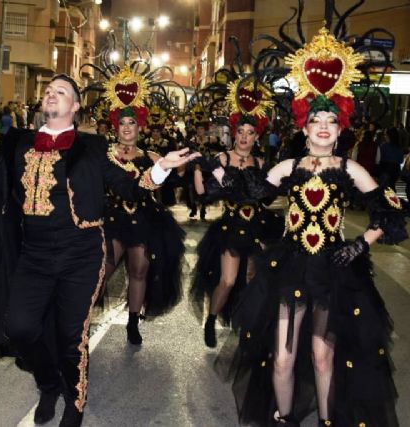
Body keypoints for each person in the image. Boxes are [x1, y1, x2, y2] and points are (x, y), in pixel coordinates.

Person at [0, 74, 196, 427]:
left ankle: (74, 404)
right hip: (33, 255)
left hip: (82, 254)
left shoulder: (93, 147)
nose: (51, 94)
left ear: (75, 106)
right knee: (19, 328)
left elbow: (130, 187)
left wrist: (159, 170)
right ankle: (49, 384)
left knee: (70, 334)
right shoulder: (19, 144)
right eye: (48, 91)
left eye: (61, 91)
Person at [217, 27, 406, 426]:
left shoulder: (350, 168)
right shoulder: (288, 167)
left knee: (324, 355)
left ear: (340, 132)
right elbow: (252, 195)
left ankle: (325, 420)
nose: (323, 126)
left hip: (334, 270)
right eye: (316, 119)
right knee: (283, 357)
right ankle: (283, 418)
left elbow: (390, 211)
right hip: (290, 266)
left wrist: (361, 244)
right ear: (304, 129)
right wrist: (217, 172)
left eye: (331, 121)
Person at [192, 77, 282, 348]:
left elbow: (267, 198)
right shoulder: (222, 159)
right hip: (230, 227)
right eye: (240, 131)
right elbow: (201, 194)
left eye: (250, 132)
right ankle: (211, 319)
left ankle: (247, 327)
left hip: (258, 225)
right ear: (234, 132)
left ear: (257, 136)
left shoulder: (262, 163)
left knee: (254, 280)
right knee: (228, 280)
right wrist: (198, 167)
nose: (244, 137)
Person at [102, 101, 185, 345]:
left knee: (140, 270)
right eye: (122, 123)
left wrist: (178, 168)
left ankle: (132, 322)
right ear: (115, 127)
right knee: (101, 271)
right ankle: (80, 318)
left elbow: (168, 181)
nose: (127, 128)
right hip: (114, 219)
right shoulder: (105, 154)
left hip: (143, 219)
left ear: (140, 127)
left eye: (132, 123)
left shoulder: (151, 157)